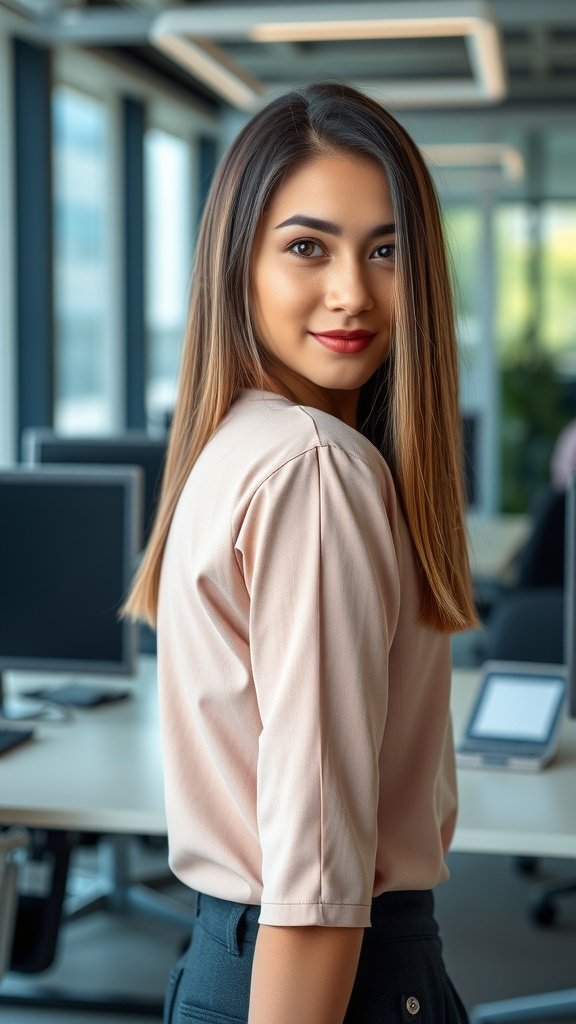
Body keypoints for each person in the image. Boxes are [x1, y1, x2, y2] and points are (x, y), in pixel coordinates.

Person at [124, 82, 478, 1024]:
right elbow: (318, 878)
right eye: (307, 247)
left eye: (386, 250)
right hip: (325, 979)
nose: (352, 293)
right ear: (239, 261)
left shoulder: (238, 442)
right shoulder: (315, 468)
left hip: (229, 958)